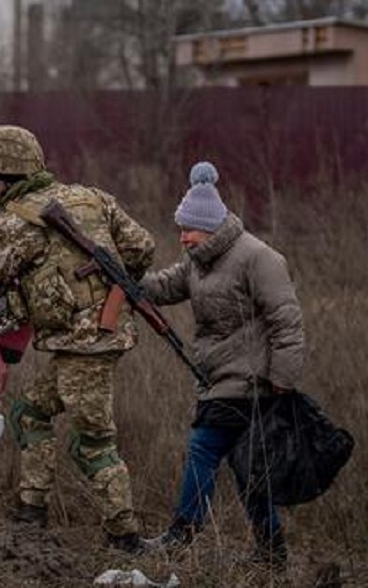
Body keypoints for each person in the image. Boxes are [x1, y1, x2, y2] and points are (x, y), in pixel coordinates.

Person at [0, 125, 155, 554]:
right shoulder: (91, 198)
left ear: (8, 173)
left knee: (93, 442)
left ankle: (124, 538)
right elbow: (142, 248)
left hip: (85, 346)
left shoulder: (11, 226)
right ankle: (31, 513)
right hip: (95, 338)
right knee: (29, 413)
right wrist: (106, 291)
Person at [138, 161, 306, 569]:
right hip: (216, 378)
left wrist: (282, 380)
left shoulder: (258, 257)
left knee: (204, 447)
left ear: (210, 228)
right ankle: (272, 551)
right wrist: (124, 277)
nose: (182, 238)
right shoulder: (199, 262)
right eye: (180, 230)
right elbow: (163, 286)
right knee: (248, 469)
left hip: (251, 381)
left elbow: (287, 321)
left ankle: (182, 534)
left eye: (188, 230)